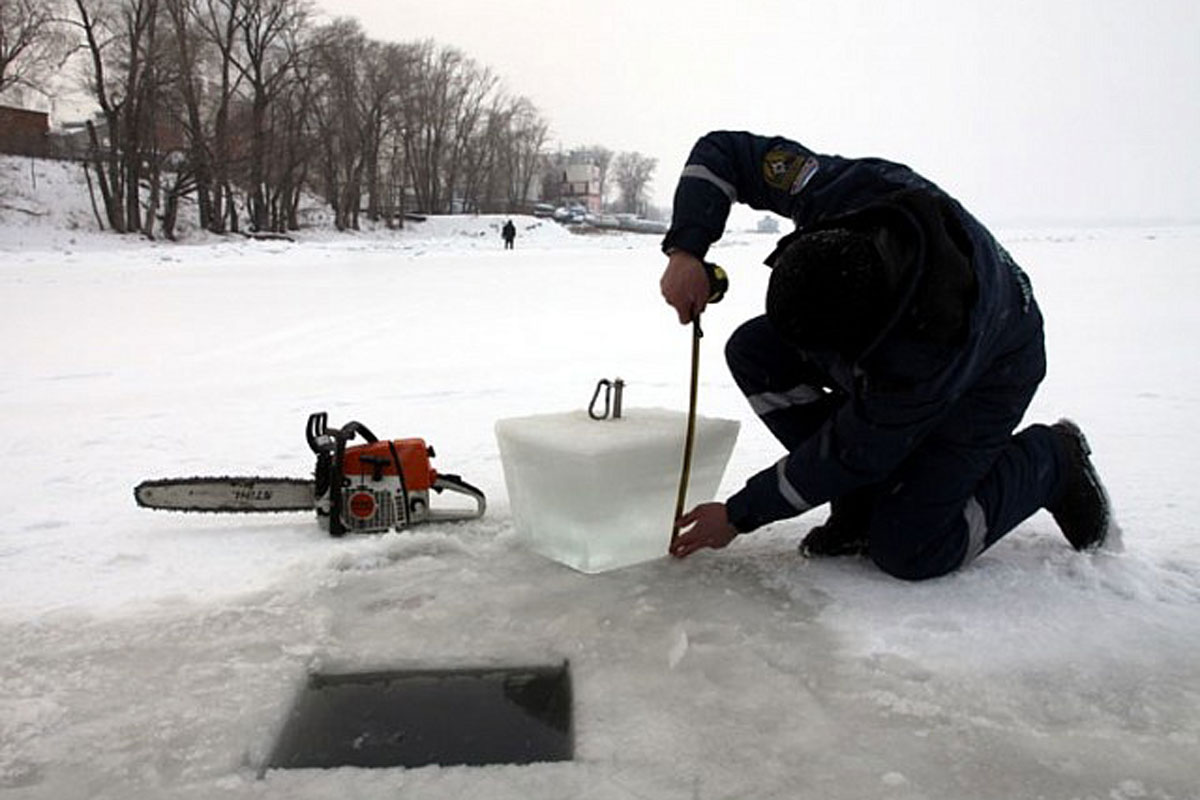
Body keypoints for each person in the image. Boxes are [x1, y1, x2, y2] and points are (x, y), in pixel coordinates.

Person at [660, 130, 1115, 580]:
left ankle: (1052, 460)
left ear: (857, 347)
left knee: (910, 548)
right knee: (755, 351)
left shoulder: (920, 360)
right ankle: (860, 503)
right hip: (908, 315)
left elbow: (850, 451)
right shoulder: (843, 194)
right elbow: (724, 151)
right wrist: (686, 250)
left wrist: (739, 515)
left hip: (995, 365)